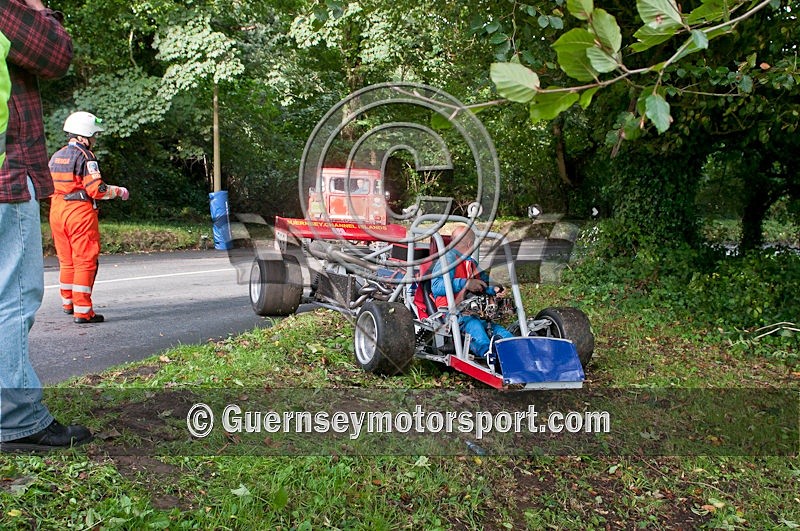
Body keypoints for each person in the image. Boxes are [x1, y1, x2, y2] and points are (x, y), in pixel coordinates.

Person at [0, 0, 92, 452]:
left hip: (57, 209)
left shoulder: (63, 154)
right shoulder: (83, 157)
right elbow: (55, 53)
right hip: (10, 180)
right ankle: (15, 418)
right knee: (14, 297)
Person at [49, 111, 129, 324]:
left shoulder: (56, 156)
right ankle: (83, 311)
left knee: (66, 260)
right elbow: (97, 190)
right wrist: (119, 191)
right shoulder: (85, 157)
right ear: (84, 135)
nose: (94, 139)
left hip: (56, 210)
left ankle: (68, 303)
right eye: (94, 135)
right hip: (78, 213)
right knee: (84, 260)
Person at [430, 225, 514, 358]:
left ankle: (516, 347)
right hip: (451, 313)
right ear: (470, 244)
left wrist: (495, 288)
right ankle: (489, 355)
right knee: (474, 327)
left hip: (475, 311)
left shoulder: (471, 262)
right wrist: (466, 283)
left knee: (496, 329)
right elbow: (436, 286)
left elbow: (485, 281)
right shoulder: (447, 260)